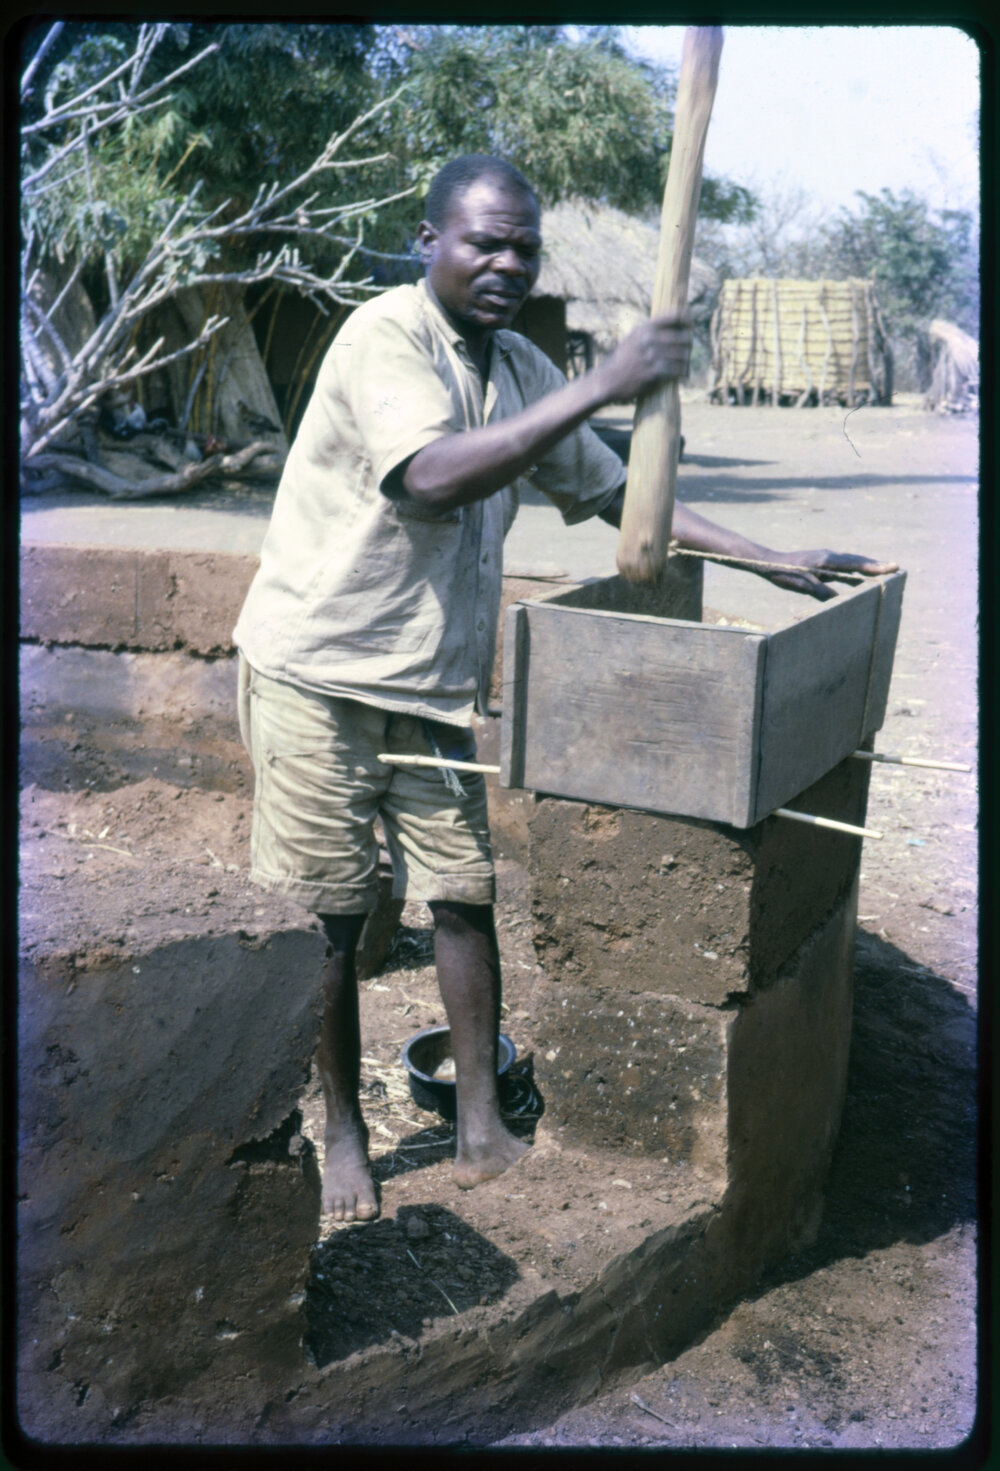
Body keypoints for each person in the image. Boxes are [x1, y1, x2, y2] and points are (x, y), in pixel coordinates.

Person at [234, 154, 896, 1223]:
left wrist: (765, 557)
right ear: (428, 242)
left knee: (464, 894)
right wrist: (602, 381)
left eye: (524, 249)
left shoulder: (517, 366)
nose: (506, 264)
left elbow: (611, 491)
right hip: (318, 673)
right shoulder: (384, 337)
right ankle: (345, 1132)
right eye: (483, 242)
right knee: (334, 913)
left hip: (430, 686)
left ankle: (479, 1120)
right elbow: (431, 476)